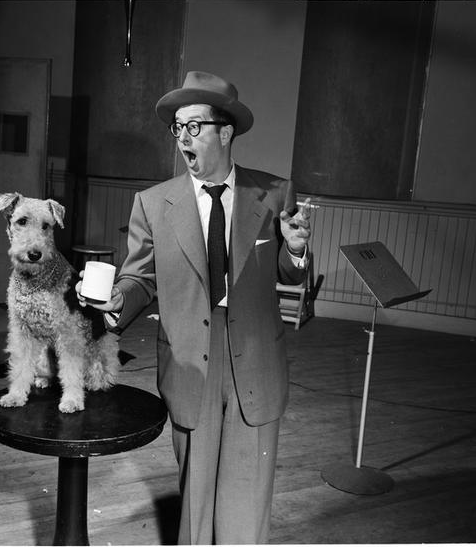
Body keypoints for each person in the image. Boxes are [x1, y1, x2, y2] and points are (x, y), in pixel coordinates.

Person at [76, 71, 311, 544]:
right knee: (196, 497)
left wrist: (296, 249)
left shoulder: (273, 194)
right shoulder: (152, 203)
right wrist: (116, 300)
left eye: (194, 126)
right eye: (177, 127)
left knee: (247, 496)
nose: (182, 137)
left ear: (225, 133)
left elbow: (290, 275)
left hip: (255, 356)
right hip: (189, 359)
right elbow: (139, 278)